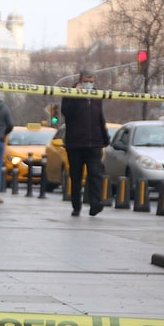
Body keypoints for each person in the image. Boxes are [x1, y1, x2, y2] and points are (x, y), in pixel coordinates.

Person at [60, 70, 110, 217]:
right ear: (80, 81)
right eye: (87, 81)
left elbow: (100, 117)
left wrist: (104, 137)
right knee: (76, 176)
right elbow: (66, 112)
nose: (89, 84)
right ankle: (76, 206)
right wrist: (75, 95)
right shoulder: (70, 93)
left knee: (96, 174)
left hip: (94, 143)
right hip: (75, 143)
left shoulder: (96, 95)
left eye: (92, 81)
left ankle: (96, 203)